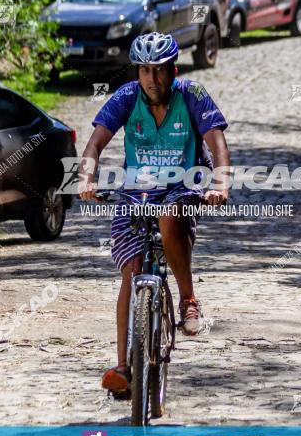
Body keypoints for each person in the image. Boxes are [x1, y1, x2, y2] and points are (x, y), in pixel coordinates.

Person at [78, 32, 231, 394]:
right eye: (144, 71)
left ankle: (189, 300)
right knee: (131, 273)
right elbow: (96, 142)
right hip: (136, 192)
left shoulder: (191, 95)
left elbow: (217, 143)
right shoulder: (128, 97)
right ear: (137, 73)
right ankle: (123, 368)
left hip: (183, 188)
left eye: (159, 70)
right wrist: (87, 177)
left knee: (168, 214)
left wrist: (221, 184)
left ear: (172, 69)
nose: (152, 79)